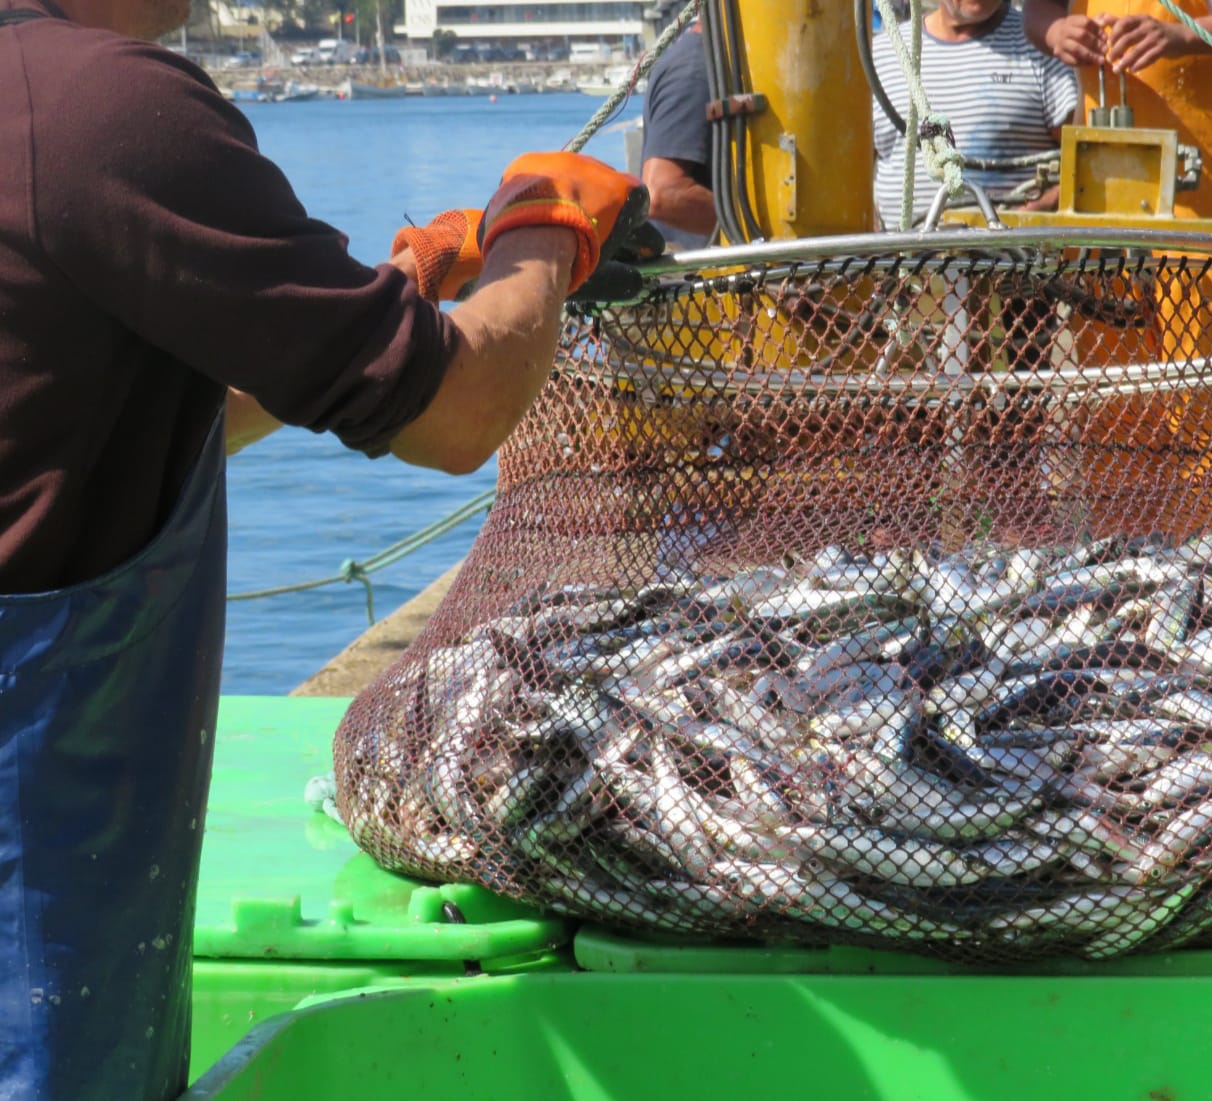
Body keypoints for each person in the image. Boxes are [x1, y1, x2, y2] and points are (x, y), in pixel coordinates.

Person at [0, 0, 656, 1096]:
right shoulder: (104, 108)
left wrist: (389, 304)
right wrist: (543, 232)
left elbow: (104, 406)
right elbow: (458, 418)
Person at [1023, 0, 1212, 219]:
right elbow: (1039, 9)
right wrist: (1057, 32)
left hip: (1202, 202)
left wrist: (1184, 35)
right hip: (1095, 201)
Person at [871, 0, 1079, 226]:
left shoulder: (1041, 47)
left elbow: (1085, 164)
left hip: (1009, 256)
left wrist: (1036, 211)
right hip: (895, 257)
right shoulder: (884, 54)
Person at [640, 17, 717, 249]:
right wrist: (762, 228)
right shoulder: (694, 68)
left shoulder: (708, 60)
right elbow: (664, 194)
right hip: (693, 272)